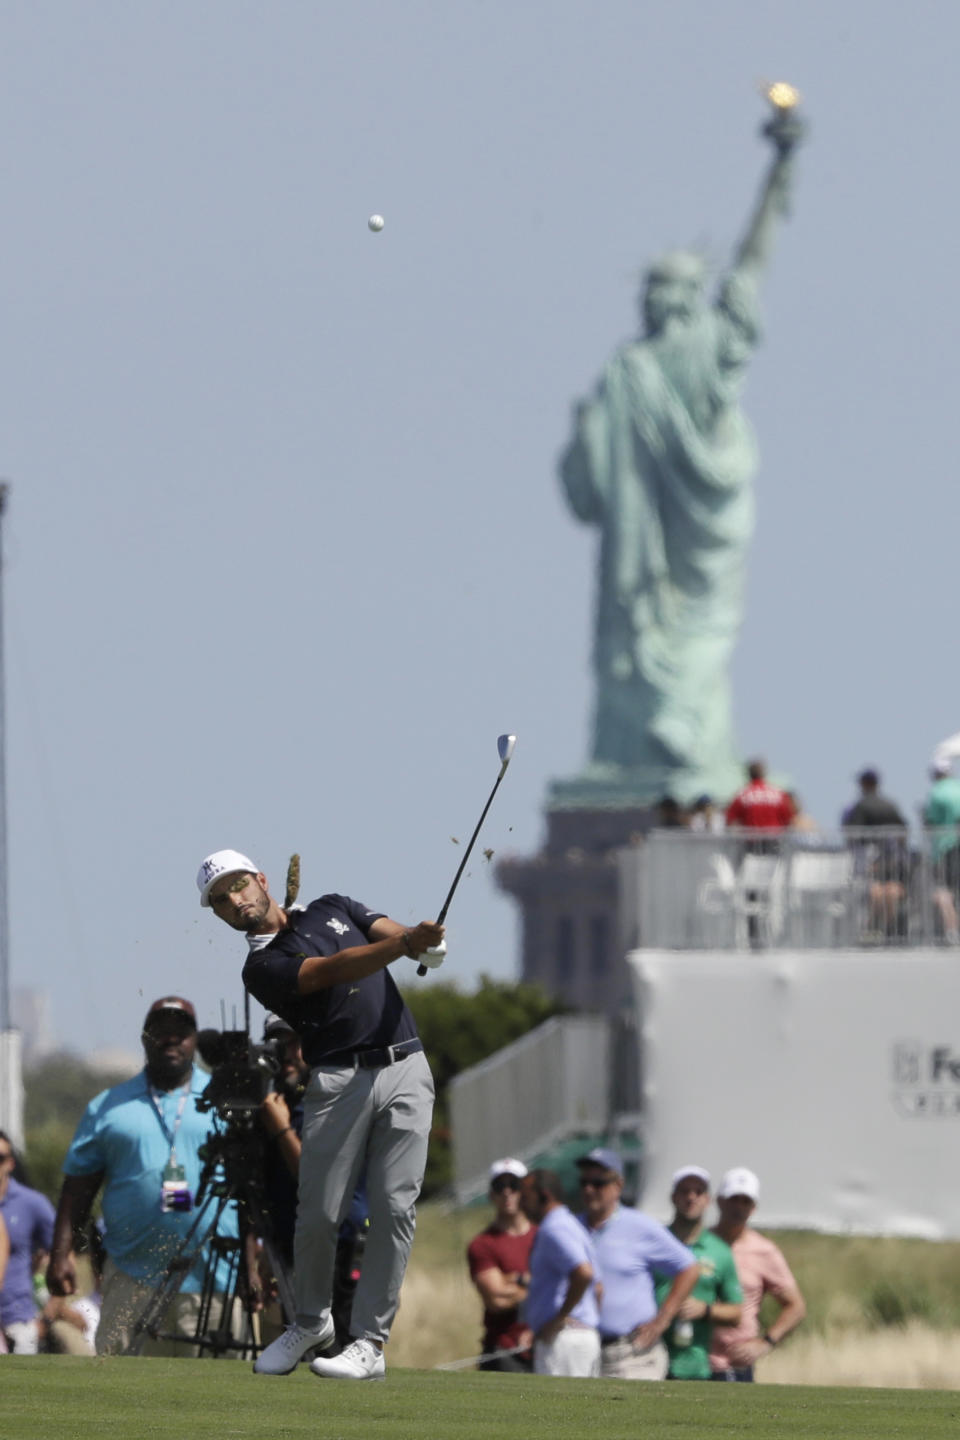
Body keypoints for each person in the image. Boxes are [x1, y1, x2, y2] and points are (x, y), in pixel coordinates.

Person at [558, 100, 804, 802]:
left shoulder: (690, 351)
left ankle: (682, 736)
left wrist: (780, 171)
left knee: (699, 638)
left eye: (665, 285)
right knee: (634, 642)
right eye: (650, 286)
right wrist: (584, 435)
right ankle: (649, 745)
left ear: (690, 295)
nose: (654, 297)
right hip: (640, 543)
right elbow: (589, 489)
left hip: (704, 526)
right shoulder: (625, 370)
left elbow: (754, 260)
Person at [198, 847, 442, 1381]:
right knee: (319, 1216)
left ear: (262, 881)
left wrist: (425, 942)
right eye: (220, 900)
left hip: (406, 1065)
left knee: (395, 1210)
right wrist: (405, 945)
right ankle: (311, 1322)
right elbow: (332, 970)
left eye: (239, 886)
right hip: (337, 1079)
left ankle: (370, 1342)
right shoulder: (261, 967)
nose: (234, 901)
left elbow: (391, 933)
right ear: (217, 914)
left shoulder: (333, 905)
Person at [46, 996, 243, 1357]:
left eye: (180, 1033)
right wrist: (62, 1252)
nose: (170, 1040)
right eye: (160, 1032)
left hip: (214, 1277)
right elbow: (78, 1187)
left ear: (195, 1040)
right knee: (123, 1394)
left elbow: (250, 1182)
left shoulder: (225, 1098)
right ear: (144, 1038)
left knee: (218, 1396)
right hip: (132, 1277)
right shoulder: (108, 1105)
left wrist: (257, 1258)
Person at [256, 1013, 369, 1349]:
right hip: (292, 1245)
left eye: (295, 1041)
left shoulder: (333, 1095)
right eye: (278, 1043)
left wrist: (281, 1129)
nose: (287, 1052)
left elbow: (316, 1177)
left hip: (338, 1246)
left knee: (335, 1354)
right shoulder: (278, 1101)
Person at [575, 1147, 698, 1380]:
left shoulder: (639, 1226)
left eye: (598, 1183)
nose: (589, 1189)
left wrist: (662, 1320)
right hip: (582, 1351)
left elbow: (689, 1268)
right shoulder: (571, 1227)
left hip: (632, 1354)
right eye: (584, 1182)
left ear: (618, 1186)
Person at [709, 1166, 806, 1381]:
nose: (739, 1208)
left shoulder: (764, 1251)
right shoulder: (700, 1244)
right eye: (734, 1199)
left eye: (746, 1202)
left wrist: (765, 1343)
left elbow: (796, 1306)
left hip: (735, 1364)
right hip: (694, 1358)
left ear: (754, 1207)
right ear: (720, 1201)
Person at [657, 1165, 742, 1380]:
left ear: (708, 1200)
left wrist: (704, 1310)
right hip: (649, 1355)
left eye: (698, 1192)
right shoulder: (655, 1241)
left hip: (694, 1363)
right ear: (673, 1197)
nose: (691, 1198)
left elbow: (736, 1312)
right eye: (684, 1191)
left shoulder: (719, 1251)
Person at [519, 1168, 599, 1377]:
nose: (522, 1204)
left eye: (526, 1197)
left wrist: (559, 1318)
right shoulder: (570, 1223)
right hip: (576, 1336)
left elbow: (583, 1273)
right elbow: (598, 1289)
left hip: (564, 1338)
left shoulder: (555, 1228)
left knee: (556, 1408)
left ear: (544, 1195)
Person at [466, 1157, 537, 1372]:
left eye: (514, 1185)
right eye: (500, 1186)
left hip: (544, 1346)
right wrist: (539, 1287)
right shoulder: (482, 1244)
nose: (507, 1192)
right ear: (491, 1194)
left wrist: (516, 1280)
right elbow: (496, 1299)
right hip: (503, 1350)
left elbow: (563, 1288)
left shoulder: (544, 1236)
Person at [0, 1131, 55, 1354]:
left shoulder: (32, 1203)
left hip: (19, 1321)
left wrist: (47, 1319)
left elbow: (62, 1256)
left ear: (10, 1163)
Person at [842, 769, 909, 938]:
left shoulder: (860, 806)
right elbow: (903, 829)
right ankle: (887, 931)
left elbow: (852, 834)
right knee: (886, 893)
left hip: (870, 862)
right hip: (892, 863)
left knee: (875, 894)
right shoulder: (890, 805)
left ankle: (871, 930)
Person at [923, 761, 960, 944]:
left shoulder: (937, 793)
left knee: (944, 892)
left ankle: (951, 931)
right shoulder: (958, 788)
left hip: (945, 847)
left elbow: (930, 821)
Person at [725, 760, 794, 832]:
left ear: (749, 774)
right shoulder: (778, 794)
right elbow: (788, 818)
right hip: (774, 839)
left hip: (750, 839)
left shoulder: (742, 795)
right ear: (763, 774)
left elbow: (730, 819)